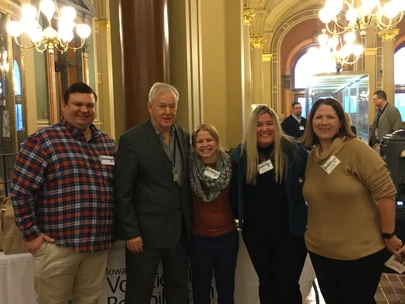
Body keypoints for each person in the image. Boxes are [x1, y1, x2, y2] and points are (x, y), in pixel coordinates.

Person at [11, 82, 116, 304]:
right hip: (58, 247)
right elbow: (21, 192)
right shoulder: (43, 141)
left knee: (90, 301)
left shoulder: (107, 143)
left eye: (90, 105)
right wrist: (31, 235)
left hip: (97, 246)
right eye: (77, 104)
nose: (84, 110)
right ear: (64, 106)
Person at [301, 98, 402, 304]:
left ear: (341, 122)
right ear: (311, 122)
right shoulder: (312, 157)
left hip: (359, 254)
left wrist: (388, 233)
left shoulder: (356, 149)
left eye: (330, 117)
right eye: (319, 117)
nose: (324, 122)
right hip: (320, 251)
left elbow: (386, 192)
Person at [115, 82, 192, 304]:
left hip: (179, 232)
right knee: (139, 294)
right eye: (162, 106)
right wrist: (131, 232)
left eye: (172, 106)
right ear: (150, 107)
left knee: (178, 295)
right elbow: (123, 191)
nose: (168, 112)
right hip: (145, 237)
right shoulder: (132, 140)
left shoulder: (184, 136)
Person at [231, 105, 308, 303]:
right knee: (266, 284)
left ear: (276, 125)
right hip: (256, 233)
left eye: (268, 124)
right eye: (259, 125)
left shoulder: (293, 150)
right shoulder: (242, 153)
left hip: (290, 231)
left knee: (288, 285)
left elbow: (314, 180)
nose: (264, 129)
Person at [189, 123, 238, 304]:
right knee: (200, 290)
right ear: (194, 146)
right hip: (199, 238)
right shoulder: (189, 167)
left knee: (226, 289)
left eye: (209, 140)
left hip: (227, 237)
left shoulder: (231, 164)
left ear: (216, 142)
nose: (205, 144)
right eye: (199, 141)